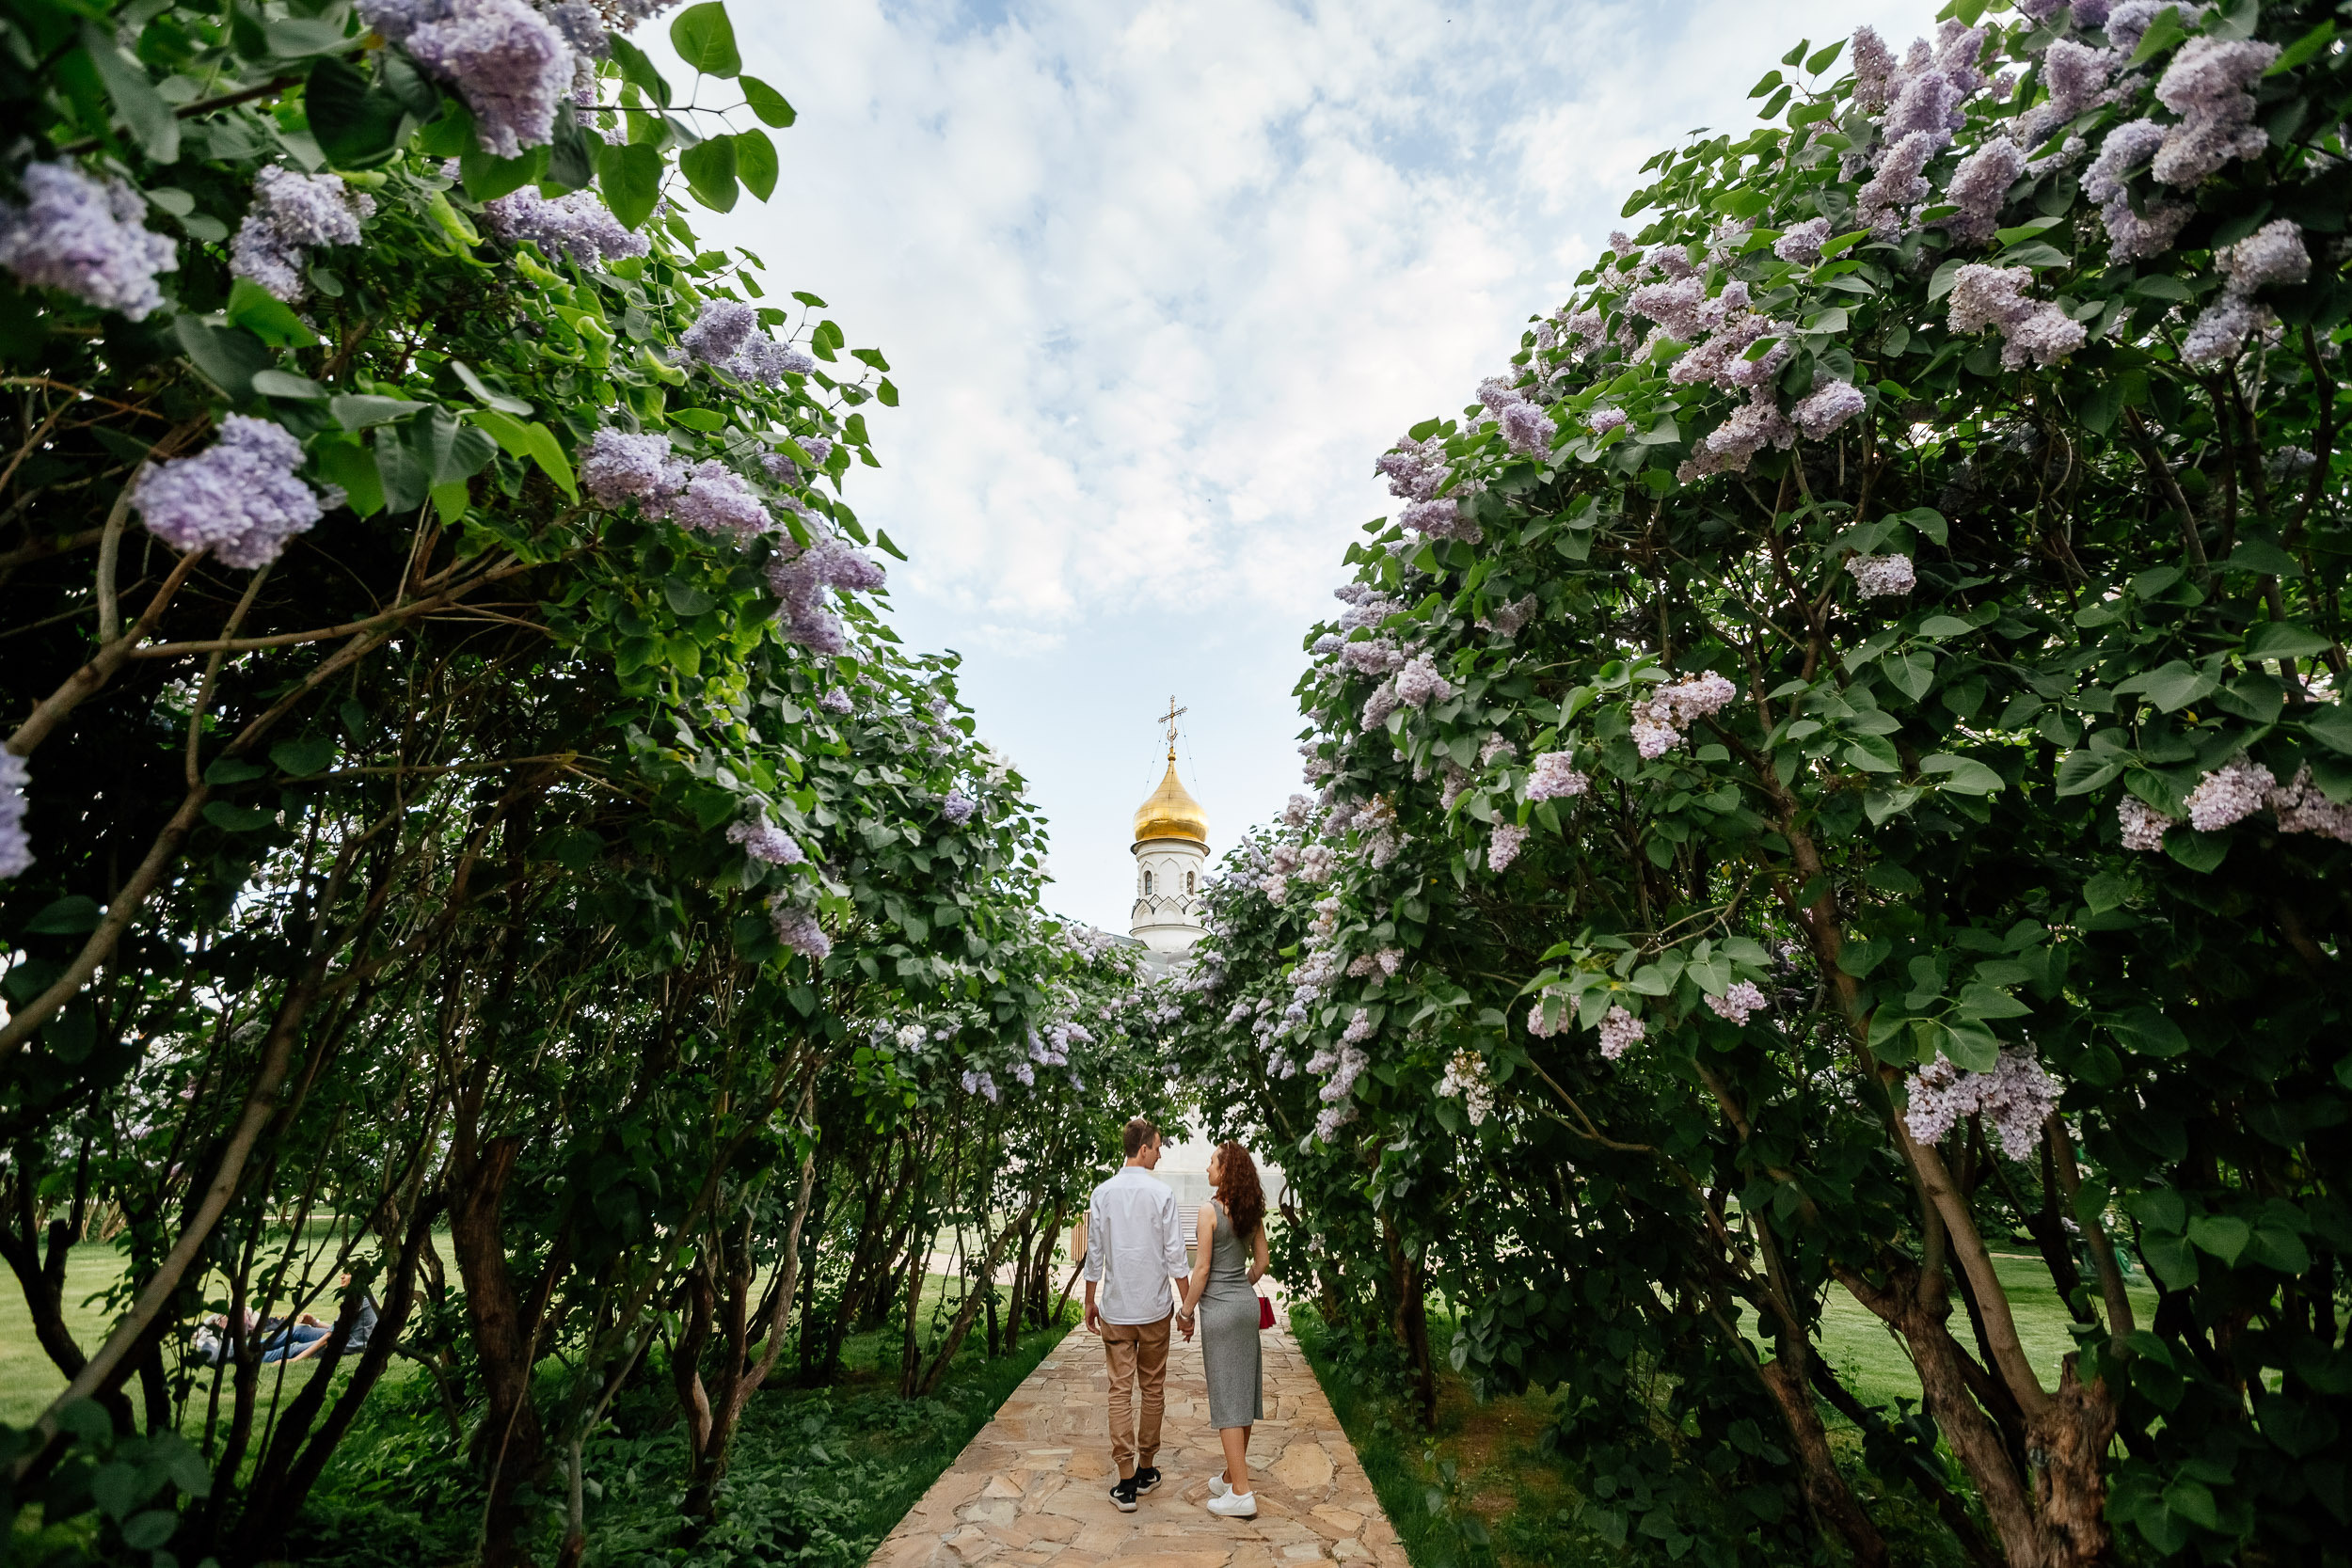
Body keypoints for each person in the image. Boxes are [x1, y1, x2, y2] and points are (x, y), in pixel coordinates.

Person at [1083, 1117, 1188, 1513]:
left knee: (1119, 1390)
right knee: (1153, 1388)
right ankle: (1146, 1469)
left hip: (1117, 1309)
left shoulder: (1102, 1193)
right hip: (1155, 1309)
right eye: (1157, 1148)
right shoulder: (1162, 1194)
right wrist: (1186, 1308)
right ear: (1142, 1149)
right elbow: (1176, 1255)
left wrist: (1090, 1300)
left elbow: (1095, 1254)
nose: (1159, 1155)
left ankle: (1125, 1480)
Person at [1176, 1140, 1271, 1520]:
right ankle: (1233, 1476)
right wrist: (1240, 1285)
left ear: (1226, 1170)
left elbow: (1201, 1270)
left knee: (1227, 1398)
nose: (1207, 1167)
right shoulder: (1251, 1211)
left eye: (1212, 1162)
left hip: (1219, 1312)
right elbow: (1262, 1262)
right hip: (1246, 1309)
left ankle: (1242, 1493)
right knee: (1242, 1394)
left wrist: (1185, 1312)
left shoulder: (1210, 1211)